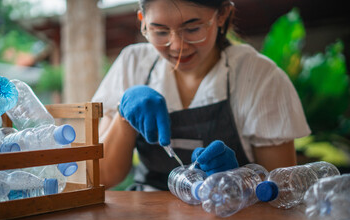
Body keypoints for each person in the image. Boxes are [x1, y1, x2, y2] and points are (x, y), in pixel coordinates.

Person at [92, 0, 311, 191]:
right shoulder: (133, 64)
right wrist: (124, 115)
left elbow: (283, 189)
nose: (176, 46)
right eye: (160, 31)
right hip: (147, 217)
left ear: (222, 14)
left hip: (230, 219)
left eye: (193, 29)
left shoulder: (259, 77)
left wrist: (240, 180)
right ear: (142, 20)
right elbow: (101, 177)